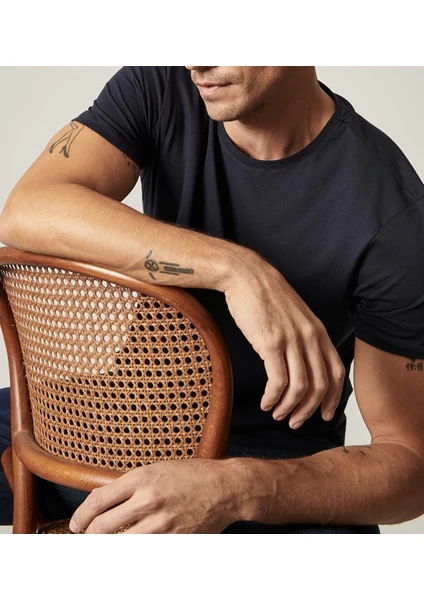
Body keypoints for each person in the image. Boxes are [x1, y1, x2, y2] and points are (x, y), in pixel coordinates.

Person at [0, 66, 423, 534]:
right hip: (110, 420)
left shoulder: (395, 213)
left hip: (265, 464)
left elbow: (410, 464)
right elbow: (28, 208)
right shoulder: (162, 85)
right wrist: (238, 271)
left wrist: (234, 488)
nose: (197, 60)